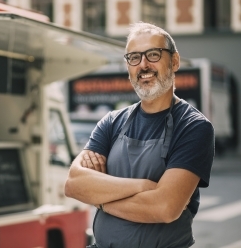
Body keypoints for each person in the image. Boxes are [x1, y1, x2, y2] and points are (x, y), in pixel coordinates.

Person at [64, 21, 214, 248]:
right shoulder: (112, 122)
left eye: (153, 54)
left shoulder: (194, 127)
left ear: (174, 62)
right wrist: (144, 186)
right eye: (134, 57)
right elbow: (74, 184)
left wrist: (101, 199)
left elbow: (164, 207)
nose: (143, 65)